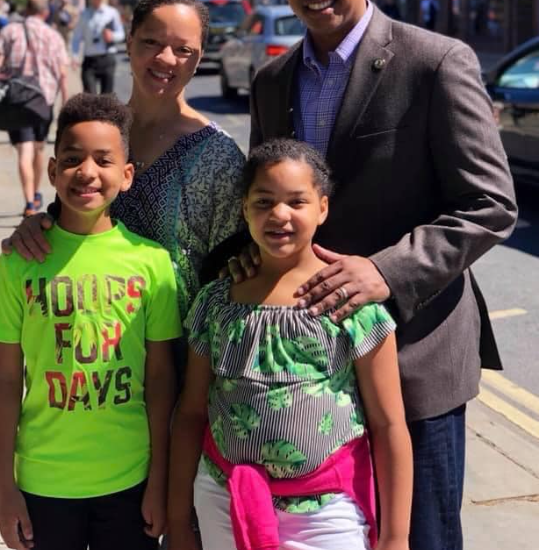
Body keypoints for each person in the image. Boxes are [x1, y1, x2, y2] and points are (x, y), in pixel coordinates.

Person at [240, 0, 518, 550]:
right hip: (307, 369)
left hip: (415, 353)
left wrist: (384, 271)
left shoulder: (435, 62)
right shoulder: (272, 81)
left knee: (420, 536)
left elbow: (489, 202)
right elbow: (264, 203)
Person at [168, 139, 413, 550]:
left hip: (326, 513)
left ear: (322, 207)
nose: (279, 214)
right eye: (263, 202)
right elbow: (191, 413)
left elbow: (388, 425)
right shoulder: (215, 302)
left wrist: (396, 536)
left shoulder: (352, 306)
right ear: (244, 208)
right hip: (224, 499)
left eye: (296, 202)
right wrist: (178, 522)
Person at [0, 93, 181, 550]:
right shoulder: (19, 263)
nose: (87, 172)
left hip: (130, 479)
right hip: (44, 481)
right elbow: (5, 380)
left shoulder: (152, 263)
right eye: (72, 160)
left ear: (127, 175)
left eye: (103, 160)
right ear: (52, 171)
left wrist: (159, 479)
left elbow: (160, 378)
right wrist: (3, 487)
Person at [2, 0, 245, 324]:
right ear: (129, 42)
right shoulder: (95, 132)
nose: (165, 58)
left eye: (183, 49)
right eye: (151, 42)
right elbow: (69, 217)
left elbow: (232, 275)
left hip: (179, 346)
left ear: (199, 56)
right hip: (85, 339)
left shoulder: (219, 157)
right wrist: (38, 227)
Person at [0, 0, 69, 217]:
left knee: (24, 149)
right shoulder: (53, 36)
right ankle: (35, 193)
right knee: (38, 147)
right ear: (45, 13)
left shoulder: (9, 31)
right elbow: (63, 74)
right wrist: (65, 103)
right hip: (44, 99)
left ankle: (29, 203)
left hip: (16, 98)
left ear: (26, 10)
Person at [72, 0, 125, 94]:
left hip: (107, 58)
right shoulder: (84, 14)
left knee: (106, 97)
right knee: (90, 96)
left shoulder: (112, 13)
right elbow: (76, 37)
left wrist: (112, 36)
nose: (97, 0)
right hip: (90, 60)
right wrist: (75, 56)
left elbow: (121, 34)